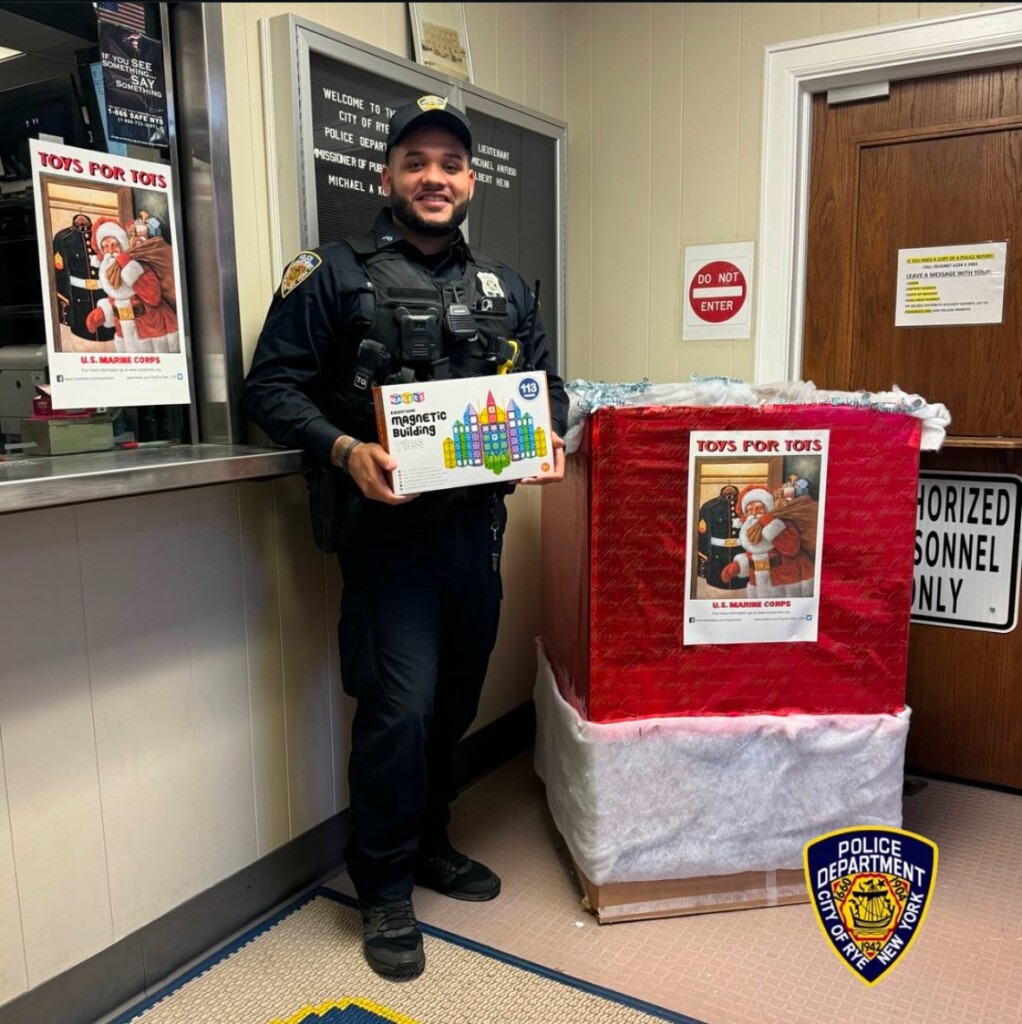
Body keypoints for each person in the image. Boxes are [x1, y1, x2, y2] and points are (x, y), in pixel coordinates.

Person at [241, 95, 568, 981]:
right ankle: (382, 887)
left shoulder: (503, 288)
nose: (435, 177)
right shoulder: (332, 276)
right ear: (386, 176)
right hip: (386, 542)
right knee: (400, 711)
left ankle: (430, 845)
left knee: (455, 703)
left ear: (470, 182)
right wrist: (344, 450)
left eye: (451, 164)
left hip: (476, 534)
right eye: (416, 161)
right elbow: (269, 391)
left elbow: (551, 392)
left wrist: (542, 434)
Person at [84, 216, 179, 353]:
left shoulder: (137, 266)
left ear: (122, 245)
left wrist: (127, 266)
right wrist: (104, 312)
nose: (110, 250)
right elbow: (117, 300)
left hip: (151, 327)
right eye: (105, 247)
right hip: (125, 329)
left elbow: (153, 297)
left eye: (113, 245)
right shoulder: (109, 271)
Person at [720, 484, 815, 598]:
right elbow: (754, 555)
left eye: (759, 508)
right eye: (749, 510)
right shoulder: (750, 529)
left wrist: (769, 524)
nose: (754, 513)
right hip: (759, 584)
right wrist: (739, 565)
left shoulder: (783, 524)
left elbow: (791, 549)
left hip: (787, 580)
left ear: (767, 508)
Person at [52, 213, 114, 343]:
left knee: (107, 327)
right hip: (80, 298)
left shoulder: (101, 235)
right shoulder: (63, 238)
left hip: (103, 293)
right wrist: (66, 311)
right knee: (85, 329)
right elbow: (61, 275)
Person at [696, 483, 745, 592]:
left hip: (740, 552)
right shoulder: (709, 507)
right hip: (717, 555)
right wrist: (704, 561)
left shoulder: (746, 504)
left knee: (740, 577)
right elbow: (704, 535)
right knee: (719, 579)